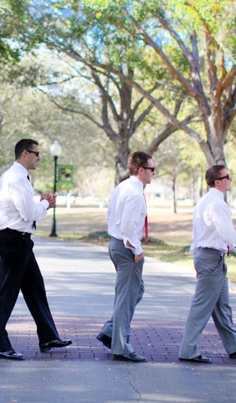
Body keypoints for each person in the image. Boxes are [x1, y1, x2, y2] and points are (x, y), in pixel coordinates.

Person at [0, 139, 71, 360]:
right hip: (13, 241)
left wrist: (40, 202)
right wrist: (46, 204)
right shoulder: (16, 178)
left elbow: (24, 209)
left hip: (21, 241)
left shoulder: (18, 177)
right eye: (36, 153)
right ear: (25, 153)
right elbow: (28, 213)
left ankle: (48, 336)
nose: (39, 157)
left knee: (35, 288)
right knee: (6, 295)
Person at [178, 165, 236, 364]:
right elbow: (228, 234)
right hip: (210, 259)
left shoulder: (202, 202)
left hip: (210, 258)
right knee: (201, 307)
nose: (230, 179)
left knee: (222, 305)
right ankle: (187, 350)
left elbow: (196, 236)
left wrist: (195, 259)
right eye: (227, 177)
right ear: (218, 182)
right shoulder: (216, 205)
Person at [96, 151, 153, 362]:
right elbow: (129, 226)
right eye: (151, 169)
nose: (153, 174)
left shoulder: (121, 187)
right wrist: (137, 250)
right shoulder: (135, 193)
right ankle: (120, 346)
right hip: (127, 248)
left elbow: (110, 214)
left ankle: (111, 331)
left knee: (135, 291)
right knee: (126, 299)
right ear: (141, 170)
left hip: (116, 245)